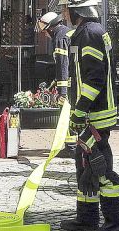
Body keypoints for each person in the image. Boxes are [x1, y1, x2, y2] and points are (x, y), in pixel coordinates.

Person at [56, 0, 119, 231]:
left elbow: (94, 79)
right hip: (92, 115)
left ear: (77, 10)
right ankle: (86, 219)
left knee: (101, 169)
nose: (64, 14)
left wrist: (80, 111)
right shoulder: (89, 32)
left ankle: (114, 223)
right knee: (86, 168)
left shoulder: (89, 34)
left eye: (66, 9)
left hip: (95, 116)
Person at [37, 10, 77, 155]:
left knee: (66, 113)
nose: (45, 34)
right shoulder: (67, 32)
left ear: (50, 27)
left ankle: (71, 147)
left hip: (71, 84)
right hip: (76, 80)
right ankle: (73, 146)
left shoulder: (59, 38)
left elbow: (63, 64)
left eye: (45, 30)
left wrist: (62, 91)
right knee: (73, 113)